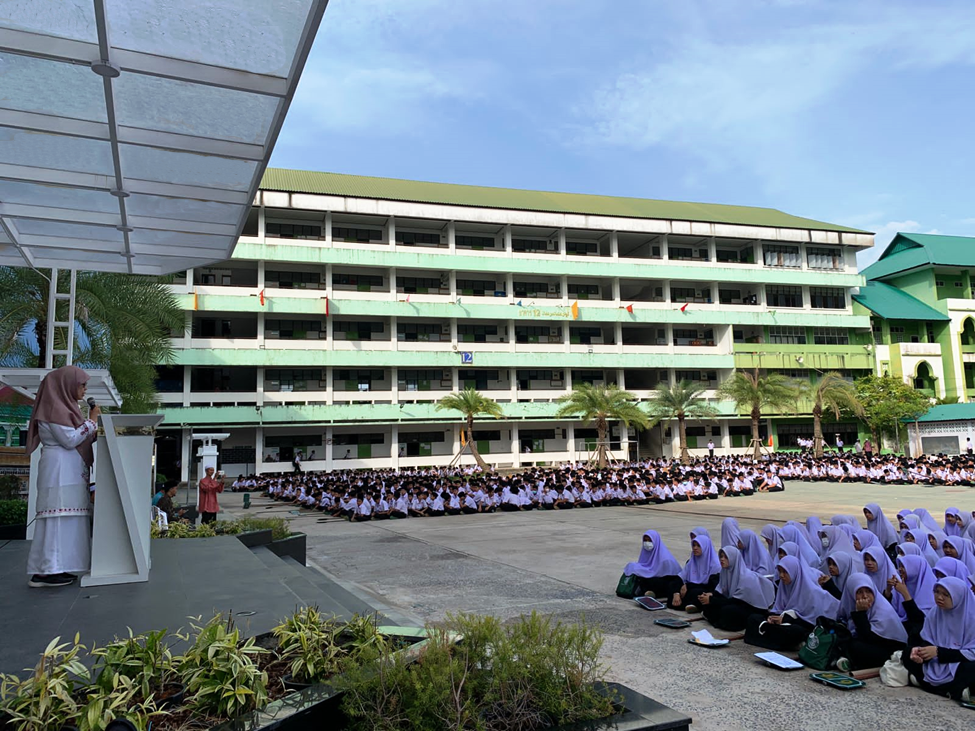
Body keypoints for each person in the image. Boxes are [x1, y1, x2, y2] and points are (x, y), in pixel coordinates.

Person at [25, 366, 99, 587]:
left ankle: (60, 567)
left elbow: (78, 437)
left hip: (69, 472)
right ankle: (46, 570)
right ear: (66, 385)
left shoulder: (67, 409)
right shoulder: (53, 408)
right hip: (58, 472)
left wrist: (91, 428)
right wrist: (92, 421)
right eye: (82, 385)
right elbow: (69, 439)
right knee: (56, 520)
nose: (85, 390)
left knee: (68, 520)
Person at [901, 577, 975, 700]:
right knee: (907, 652)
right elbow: (927, 641)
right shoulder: (935, 612)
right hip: (937, 660)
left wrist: (938, 652)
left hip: (960, 660)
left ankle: (927, 683)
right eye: (937, 592)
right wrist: (920, 653)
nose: (939, 597)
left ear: (959, 596)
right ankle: (954, 690)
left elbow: (972, 652)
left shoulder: (971, 616)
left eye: (946, 594)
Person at [745, 556, 839, 651]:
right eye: (780, 571)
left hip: (801, 626)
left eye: (785, 572)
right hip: (783, 623)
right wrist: (773, 618)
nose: (781, 575)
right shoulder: (784, 587)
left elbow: (812, 622)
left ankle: (767, 639)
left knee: (794, 631)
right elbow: (779, 609)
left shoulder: (811, 592)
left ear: (794, 572)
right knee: (753, 618)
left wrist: (786, 619)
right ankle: (777, 641)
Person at [834, 573, 908, 671]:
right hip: (870, 644)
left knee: (854, 646)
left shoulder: (882, 609)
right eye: (859, 592)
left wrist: (860, 613)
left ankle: (847, 660)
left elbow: (867, 637)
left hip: (889, 650)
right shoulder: (849, 605)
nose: (865, 596)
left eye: (868, 591)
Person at [700, 546, 774, 631]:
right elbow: (723, 592)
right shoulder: (725, 572)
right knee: (710, 605)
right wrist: (711, 595)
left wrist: (712, 600)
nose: (722, 559)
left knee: (728, 610)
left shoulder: (746, 577)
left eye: (726, 557)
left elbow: (736, 601)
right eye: (721, 556)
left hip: (750, 607)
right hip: (735, 602)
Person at [622, 530, 682, 599]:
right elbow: (646, 566)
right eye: (645, 541)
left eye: (650, 541)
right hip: (654, 578)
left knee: (652, 581)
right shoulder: (646, 553)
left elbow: (672, 577)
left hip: (666, 581)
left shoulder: (666, 559)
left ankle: (653, 592)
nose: (647, 543)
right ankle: (649, 592)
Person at [673, 535, 721, 612]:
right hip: (689, 589)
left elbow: (711, 586)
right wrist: (676, 593)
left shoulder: (715, 565)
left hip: (703, 590)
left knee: (697, 592)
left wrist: (688, 585)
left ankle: (695, 605)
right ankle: (685, 603)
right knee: (674, 586)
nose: (695, 548)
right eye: (694, 545)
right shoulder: (692, 561)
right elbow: (680, 577)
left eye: (698, 546)